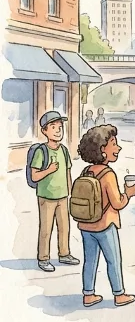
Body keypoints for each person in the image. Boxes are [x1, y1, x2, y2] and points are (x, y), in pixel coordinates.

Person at [76, 124, 135, 307]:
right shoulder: (108, 174)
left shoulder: (86, 171)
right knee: (113, 260)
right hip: (105, 224)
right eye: (113, 143)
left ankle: (88, 295)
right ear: (103, 150)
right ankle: (119, 295)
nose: (117, 148)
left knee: (90, 261)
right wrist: (129, 193)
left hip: (86, 225)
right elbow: (117, 203)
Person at [30, 111, 79, 272]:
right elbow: (34, 176)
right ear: (44, 131)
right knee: (46, 229)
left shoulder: (64, 150)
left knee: (64, 227)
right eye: (53, 127)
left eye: (60, 127)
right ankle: (43, 258)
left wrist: (71, 192)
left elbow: (68, 173)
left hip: (63, 196)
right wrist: (49, 170)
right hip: (46, 196)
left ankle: (64, 254)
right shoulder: (41, 151)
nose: (58, 130)